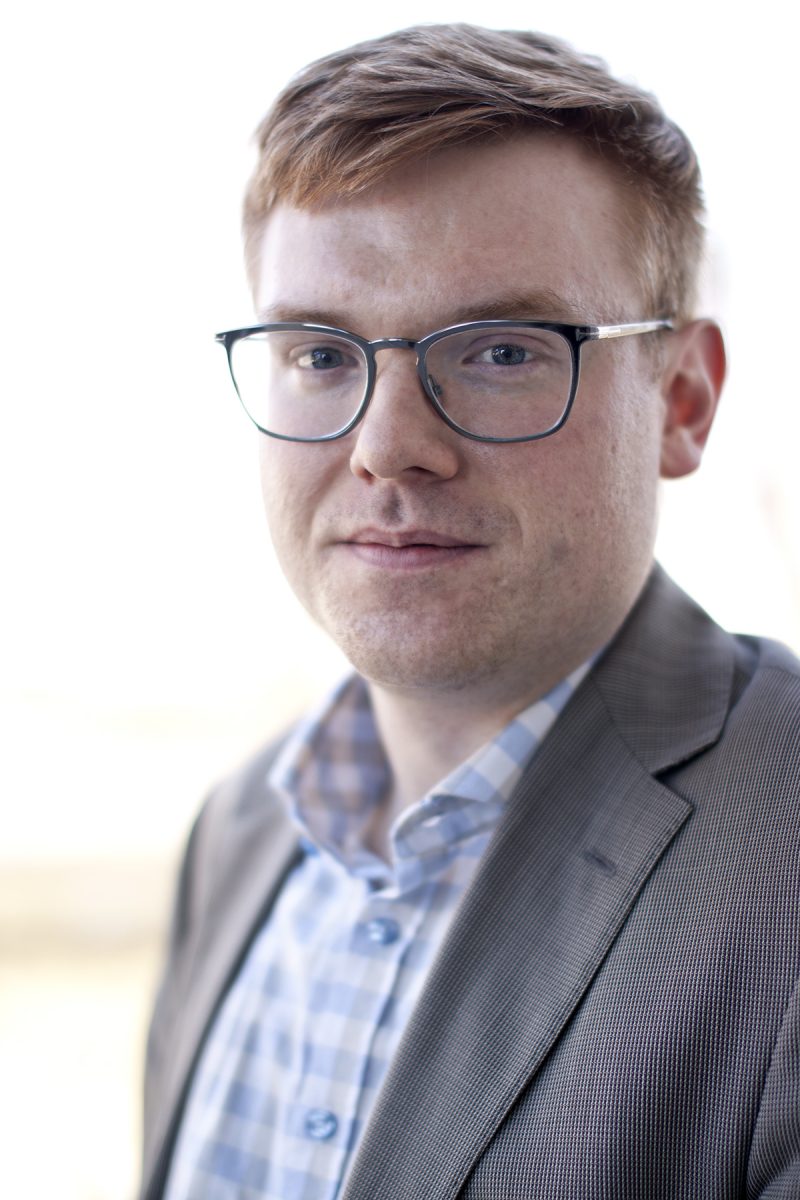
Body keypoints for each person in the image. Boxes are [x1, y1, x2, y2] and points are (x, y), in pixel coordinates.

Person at [140, 24, 800, 1199]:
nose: (389, 446)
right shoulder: (235, 840)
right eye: (320, 355)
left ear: (683, 401)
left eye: (500, 350)